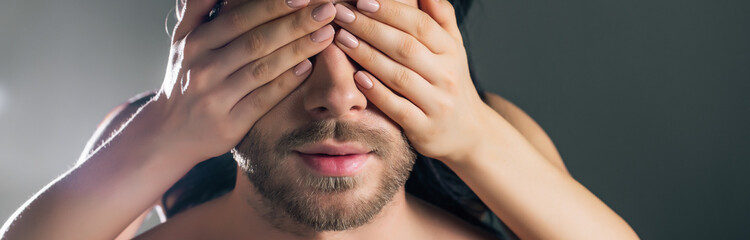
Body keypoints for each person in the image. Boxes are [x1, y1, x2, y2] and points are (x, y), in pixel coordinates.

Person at [0, 0, 640, 239]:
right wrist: (167, 128)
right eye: (291, 53)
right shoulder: (141, 152)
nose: (338, 96)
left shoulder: (500, 143)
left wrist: (472, 131)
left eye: (377, 54)